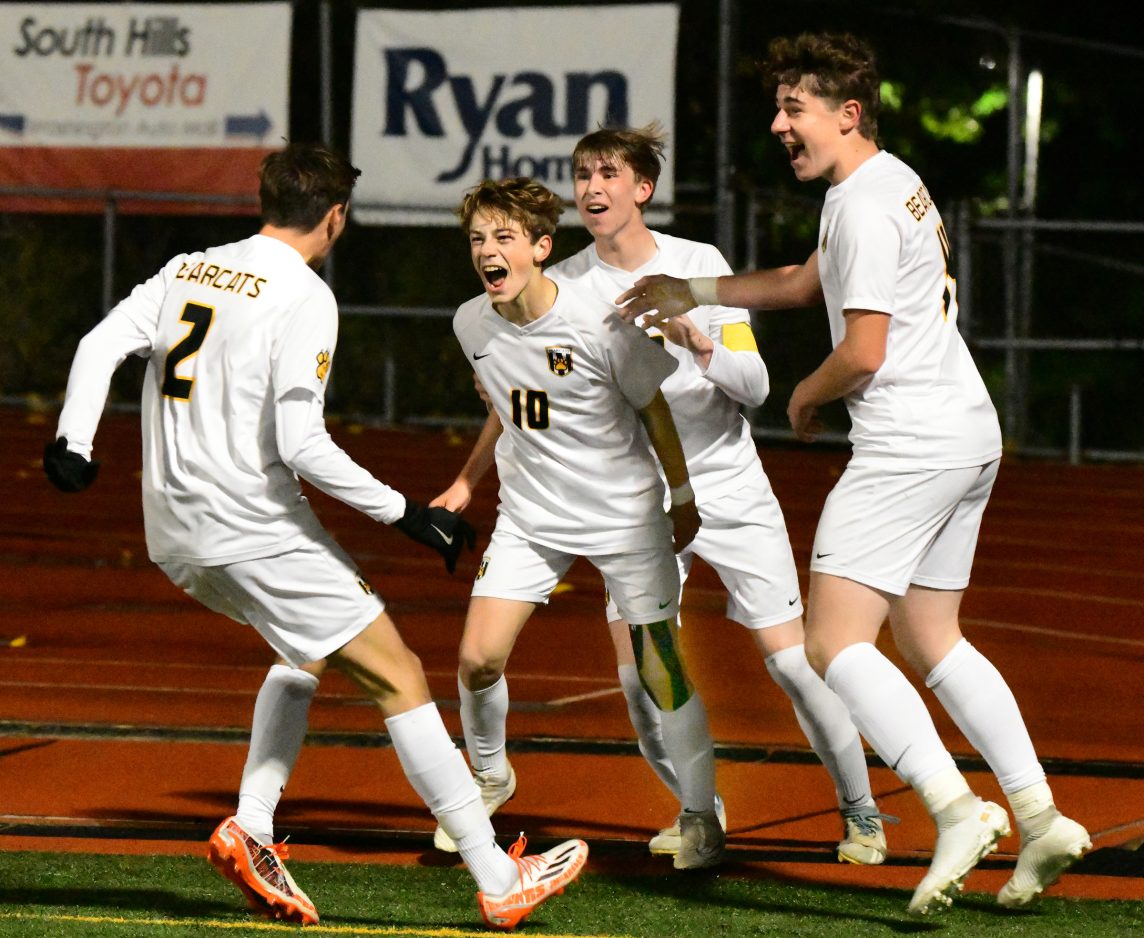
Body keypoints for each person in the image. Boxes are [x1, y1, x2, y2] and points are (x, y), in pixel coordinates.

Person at [42, 141, 587, 932]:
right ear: (335, 217)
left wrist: (74, 443)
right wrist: (406, 512)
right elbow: (301, 443)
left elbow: (97, 346)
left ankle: (252, 826)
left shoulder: (189, 267)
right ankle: (498, 875)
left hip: (172, 531)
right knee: (399, 673)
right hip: (253, 526)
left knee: (304, 652)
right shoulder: (304, 294)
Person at [615, 34, 1090, 915]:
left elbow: (863, 351)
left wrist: (806, 391)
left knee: (833, 643)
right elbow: (807, 282)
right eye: (778, 107)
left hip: (908, 445)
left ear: (848, 113)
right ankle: (1039, 815)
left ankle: (955, 809)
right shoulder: (888, 181)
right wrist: (695, 293)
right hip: (965, 431)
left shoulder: (863, 206)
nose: (778, 124)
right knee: (934, 639)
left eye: (794, 108)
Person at [435, 124, 890, 866]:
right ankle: (700, 811)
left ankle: (860, 809)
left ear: (643, 189)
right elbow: (520, 398)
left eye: (609, 173)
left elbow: (755, 386)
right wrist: (467, 478)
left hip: (723, 482)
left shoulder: (697, 265)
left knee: (790, 661)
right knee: (642, 682)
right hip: (634, 497)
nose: (593, 188)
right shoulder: (562, 281)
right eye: (583, 174)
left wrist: (695, 340)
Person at [428, 175, 724, 872]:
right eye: (477, 239)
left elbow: (653, 408)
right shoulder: (471, 322)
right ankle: (491, 776)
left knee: (659, 668)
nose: (487, 251)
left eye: (504, 237)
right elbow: (507, 402)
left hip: (624, 517)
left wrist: (682, 497)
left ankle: (700, 815)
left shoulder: (599, 322)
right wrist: (468, 481)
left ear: (540, 247)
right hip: (532, 517)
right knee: (477, 659)